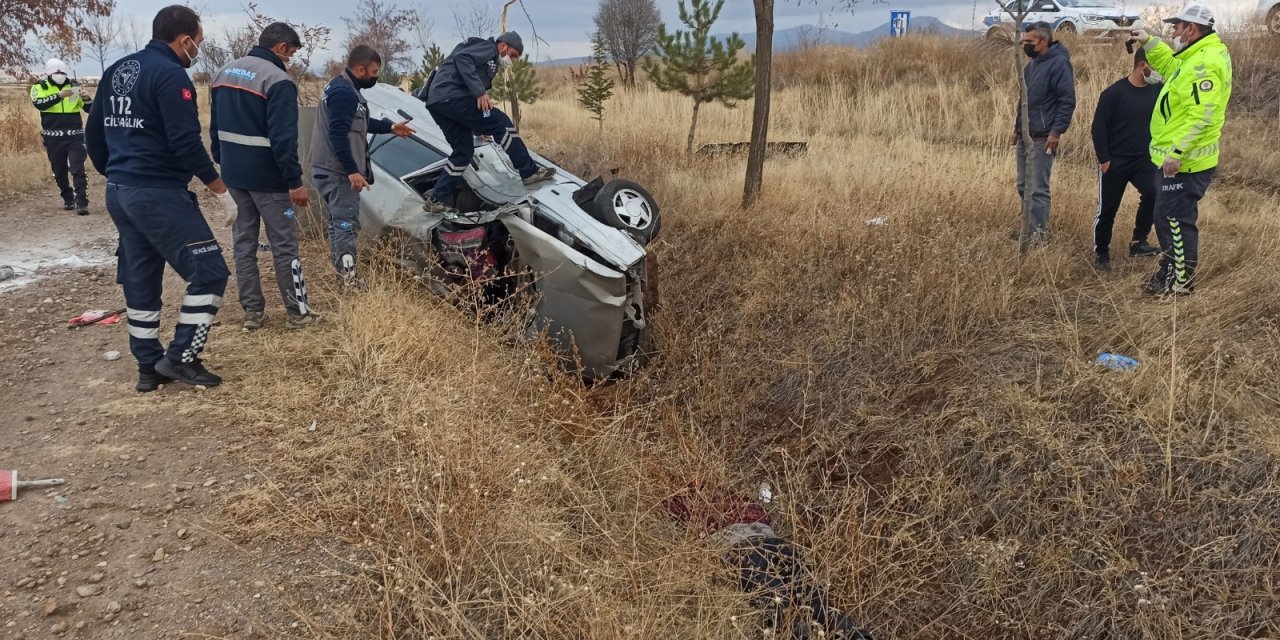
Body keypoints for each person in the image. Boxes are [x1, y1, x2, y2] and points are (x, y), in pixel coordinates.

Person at [86, 5, 238, 391]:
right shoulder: (172, 76)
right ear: (184, 40)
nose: (197, 51)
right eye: (198, 43)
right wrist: (220, 190)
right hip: (157, 193)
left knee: (142, 276)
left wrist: (118, 174)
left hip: (121, 193)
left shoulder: (117, 69)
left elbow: (94, 135)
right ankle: (181, 358)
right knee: (210, 272)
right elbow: (185, 142)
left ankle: (148, 366)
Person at [210, 22, 320, 331]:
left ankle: (253, 313)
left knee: (243, 244)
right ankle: (297, 312)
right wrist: (295, 183)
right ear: (281, 47)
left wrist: (222, 163)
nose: (291, 60)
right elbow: (284, 140)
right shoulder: (277, 80)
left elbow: (214, 128)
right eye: (292, 53)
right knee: (284, 245)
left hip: (234, 177)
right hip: (270, 183)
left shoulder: (223, 73)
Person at [1131, 4, 1232, 295]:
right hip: (1176, 159)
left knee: (1174, 222)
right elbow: (1172, 66)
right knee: (1167, 220)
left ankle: (1180, 283)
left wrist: (1176, 152)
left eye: (1177, 25)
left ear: (1192, 28)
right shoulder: (1196, 55)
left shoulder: (1205, 63)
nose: (1173, 30)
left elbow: (1203, 115)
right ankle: (1170, 270)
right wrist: (1149, 41)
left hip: (1185, 163)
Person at [309, 45, 415, 288]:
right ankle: (348, 281)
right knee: (345, 225)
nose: (376, 76)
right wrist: (352, 171)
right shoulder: (343, 92)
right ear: (360, 69)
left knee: (338, 224)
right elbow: (338, 135)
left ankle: (342, 276)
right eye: (374, 71)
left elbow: (359, 122)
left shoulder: (345, 88)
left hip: (328, 169)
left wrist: (390, 127)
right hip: (337, 172)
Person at [420, 31, 556, 214]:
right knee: (501, 122)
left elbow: (470, 109)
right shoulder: (488, 48)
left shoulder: (489, 59)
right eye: (513, 55)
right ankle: (528, 171)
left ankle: (437, 199)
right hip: (452, 97)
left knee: (463, 152)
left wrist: (478, 128)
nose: (512, 60)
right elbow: (462, 59)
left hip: (439, 104)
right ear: (503, 46)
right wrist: (480, 92)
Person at [1089, 49, 1162, 271]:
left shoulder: (1158, 91)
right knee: (1108, 209)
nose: (1159, 72)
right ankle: (1101, 252)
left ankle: (1139, 242)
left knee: (1153, 193)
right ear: (1142, 65)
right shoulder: (1113, 93)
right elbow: (1098, 128)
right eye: (1155, 66)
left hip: (1144, 160)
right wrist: (1104, 159)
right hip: (1115, 161)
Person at [1010, 22, 1076, 239]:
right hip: (1026, 135)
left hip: (1044, 136)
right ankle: (1026, 228)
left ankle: (1038, 234)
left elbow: (1067, 101)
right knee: (1022, 184)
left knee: (1038, 188)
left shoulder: (1059, 64)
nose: (1024, 45)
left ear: (1043, 41)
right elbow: (1024, 101)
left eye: (1029, 42)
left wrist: (1056, 131)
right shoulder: (1031, 66)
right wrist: (1017, 128)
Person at [30, 59, 93, 215]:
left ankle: (82, 202)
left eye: (63, 72)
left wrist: (86, 98)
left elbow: (90, 110)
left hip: (75, 136)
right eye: (56, 73)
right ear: (49, 73)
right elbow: (39, 104)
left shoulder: (73, 87)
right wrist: (58, 96)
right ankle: (68, 197)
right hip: (53, 138)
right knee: (59, 171)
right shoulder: (40, 87)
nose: (60, 75)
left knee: (77, 168)